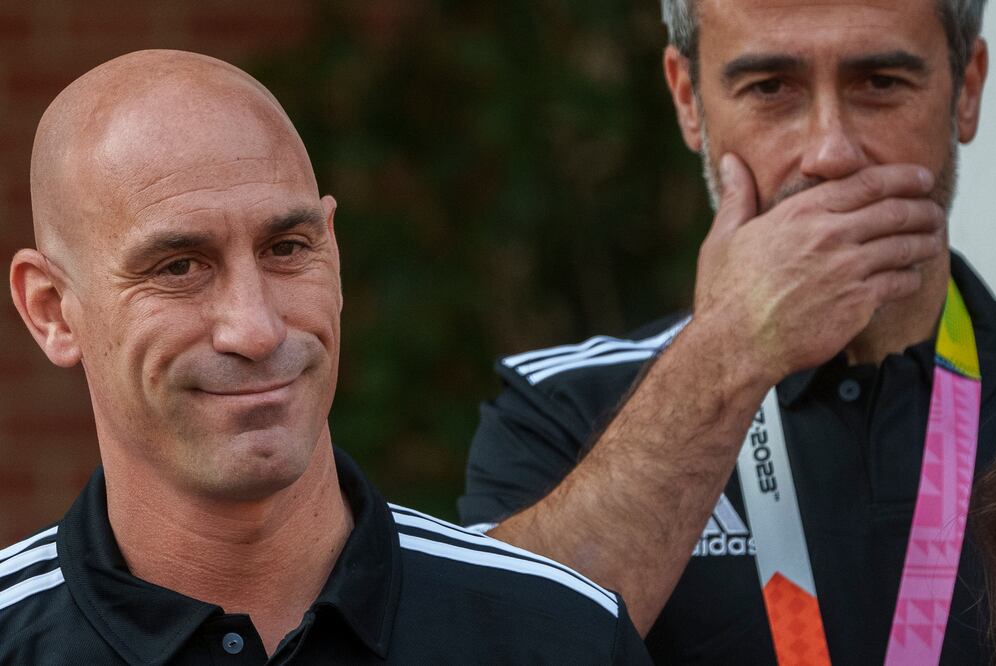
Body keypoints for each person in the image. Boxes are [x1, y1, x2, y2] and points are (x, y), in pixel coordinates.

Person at [0, 50, 650, 664]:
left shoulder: (561, 635)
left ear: (333, 255)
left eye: (285, 248)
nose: (255, 330)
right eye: (179, 267)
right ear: (52, 311)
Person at [459, 0, 996, 663]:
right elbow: (495, 644)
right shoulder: (559, 407)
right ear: (688, 101)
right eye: (770, 88)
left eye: (879, 83)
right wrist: (729, 351)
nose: (828, 152)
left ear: (966, 90)